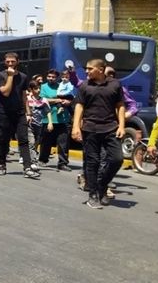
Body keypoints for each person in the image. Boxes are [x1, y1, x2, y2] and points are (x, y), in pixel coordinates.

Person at [71, 58, 125, 209]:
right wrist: (76, 127)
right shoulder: (84, 86)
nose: (86, 71)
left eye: (89, 69)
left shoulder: (115, 84)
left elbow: (120, 105)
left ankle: (101, 184)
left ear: (100, 70)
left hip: (110, 128)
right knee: (92, 162)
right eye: (86, 69)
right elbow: (79, 107)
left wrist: (121, 126)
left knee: (117, 159)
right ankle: (93, 194)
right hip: (90, 129)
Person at [0, 52, 40, 178]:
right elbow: (5, 92)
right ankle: (2, 164)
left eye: (13, 61)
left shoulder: (23, 77)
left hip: (19, 113)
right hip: (5, 113)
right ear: (5, 62)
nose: (10, 63)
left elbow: (23, 95)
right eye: (8, 61)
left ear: (17, 62)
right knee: (4, 140)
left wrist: (28, 112)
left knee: (23, 140)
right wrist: (10, 76)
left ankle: (27, 167)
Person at [39, 69, 72, 171]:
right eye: (49, 76)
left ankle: (62, 163)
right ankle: (43, 160)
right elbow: (42, 100)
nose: (51, 79)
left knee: (63, 143)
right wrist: (56, 100)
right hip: (48, 119)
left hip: (62, 119)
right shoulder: (43, 87)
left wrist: (67, 102)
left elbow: (70, 97)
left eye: (53, 77)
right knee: (46, 142)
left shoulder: (62, 86)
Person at [27, 80, 52, 167]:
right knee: (31, 142)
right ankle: (33, 162)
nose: (38, 90)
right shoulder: (27, 99)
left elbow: (48, 111)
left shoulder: (44, 100)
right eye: (36, 88)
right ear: (31, 89)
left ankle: (29, 157)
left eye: (39, 88)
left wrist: (50, 123)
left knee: (36, 143)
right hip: (29, 124)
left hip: (39, 125)